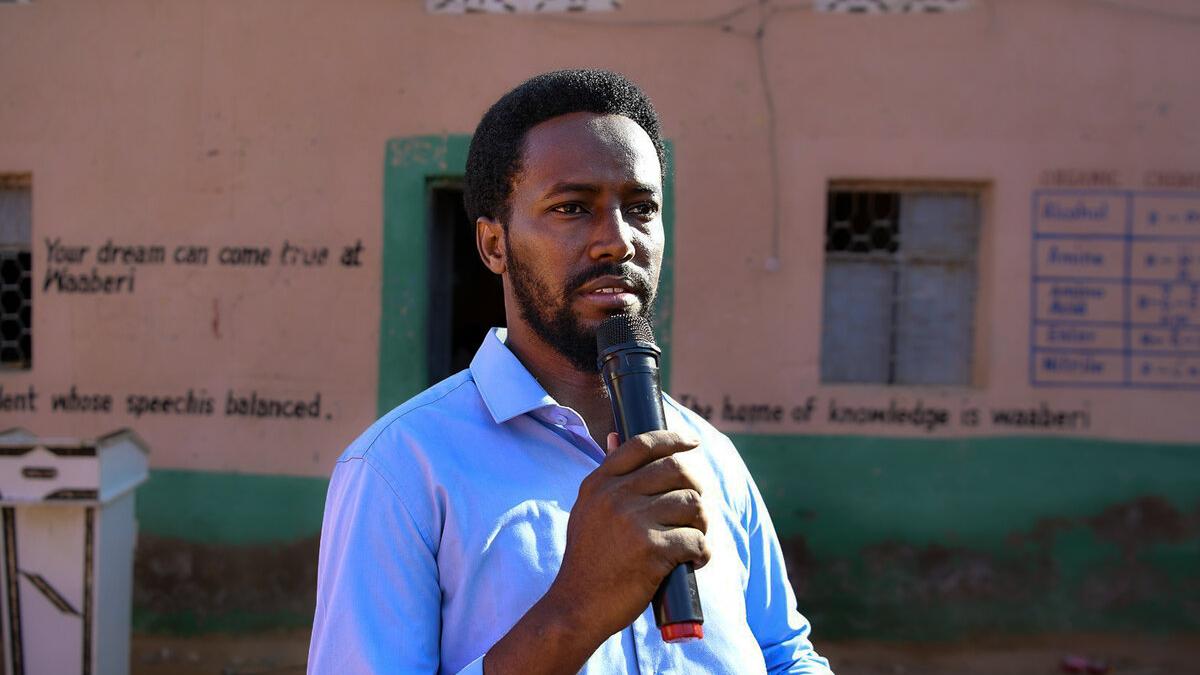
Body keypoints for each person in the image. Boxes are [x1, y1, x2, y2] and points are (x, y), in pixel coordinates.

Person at [308, 69, 833, 674]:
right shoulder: (400, 470)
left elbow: (788, 656)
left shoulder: (708, 455)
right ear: (494, 245)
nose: (617, 241)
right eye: (572, 208)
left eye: (640, 209)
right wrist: (577, 608)